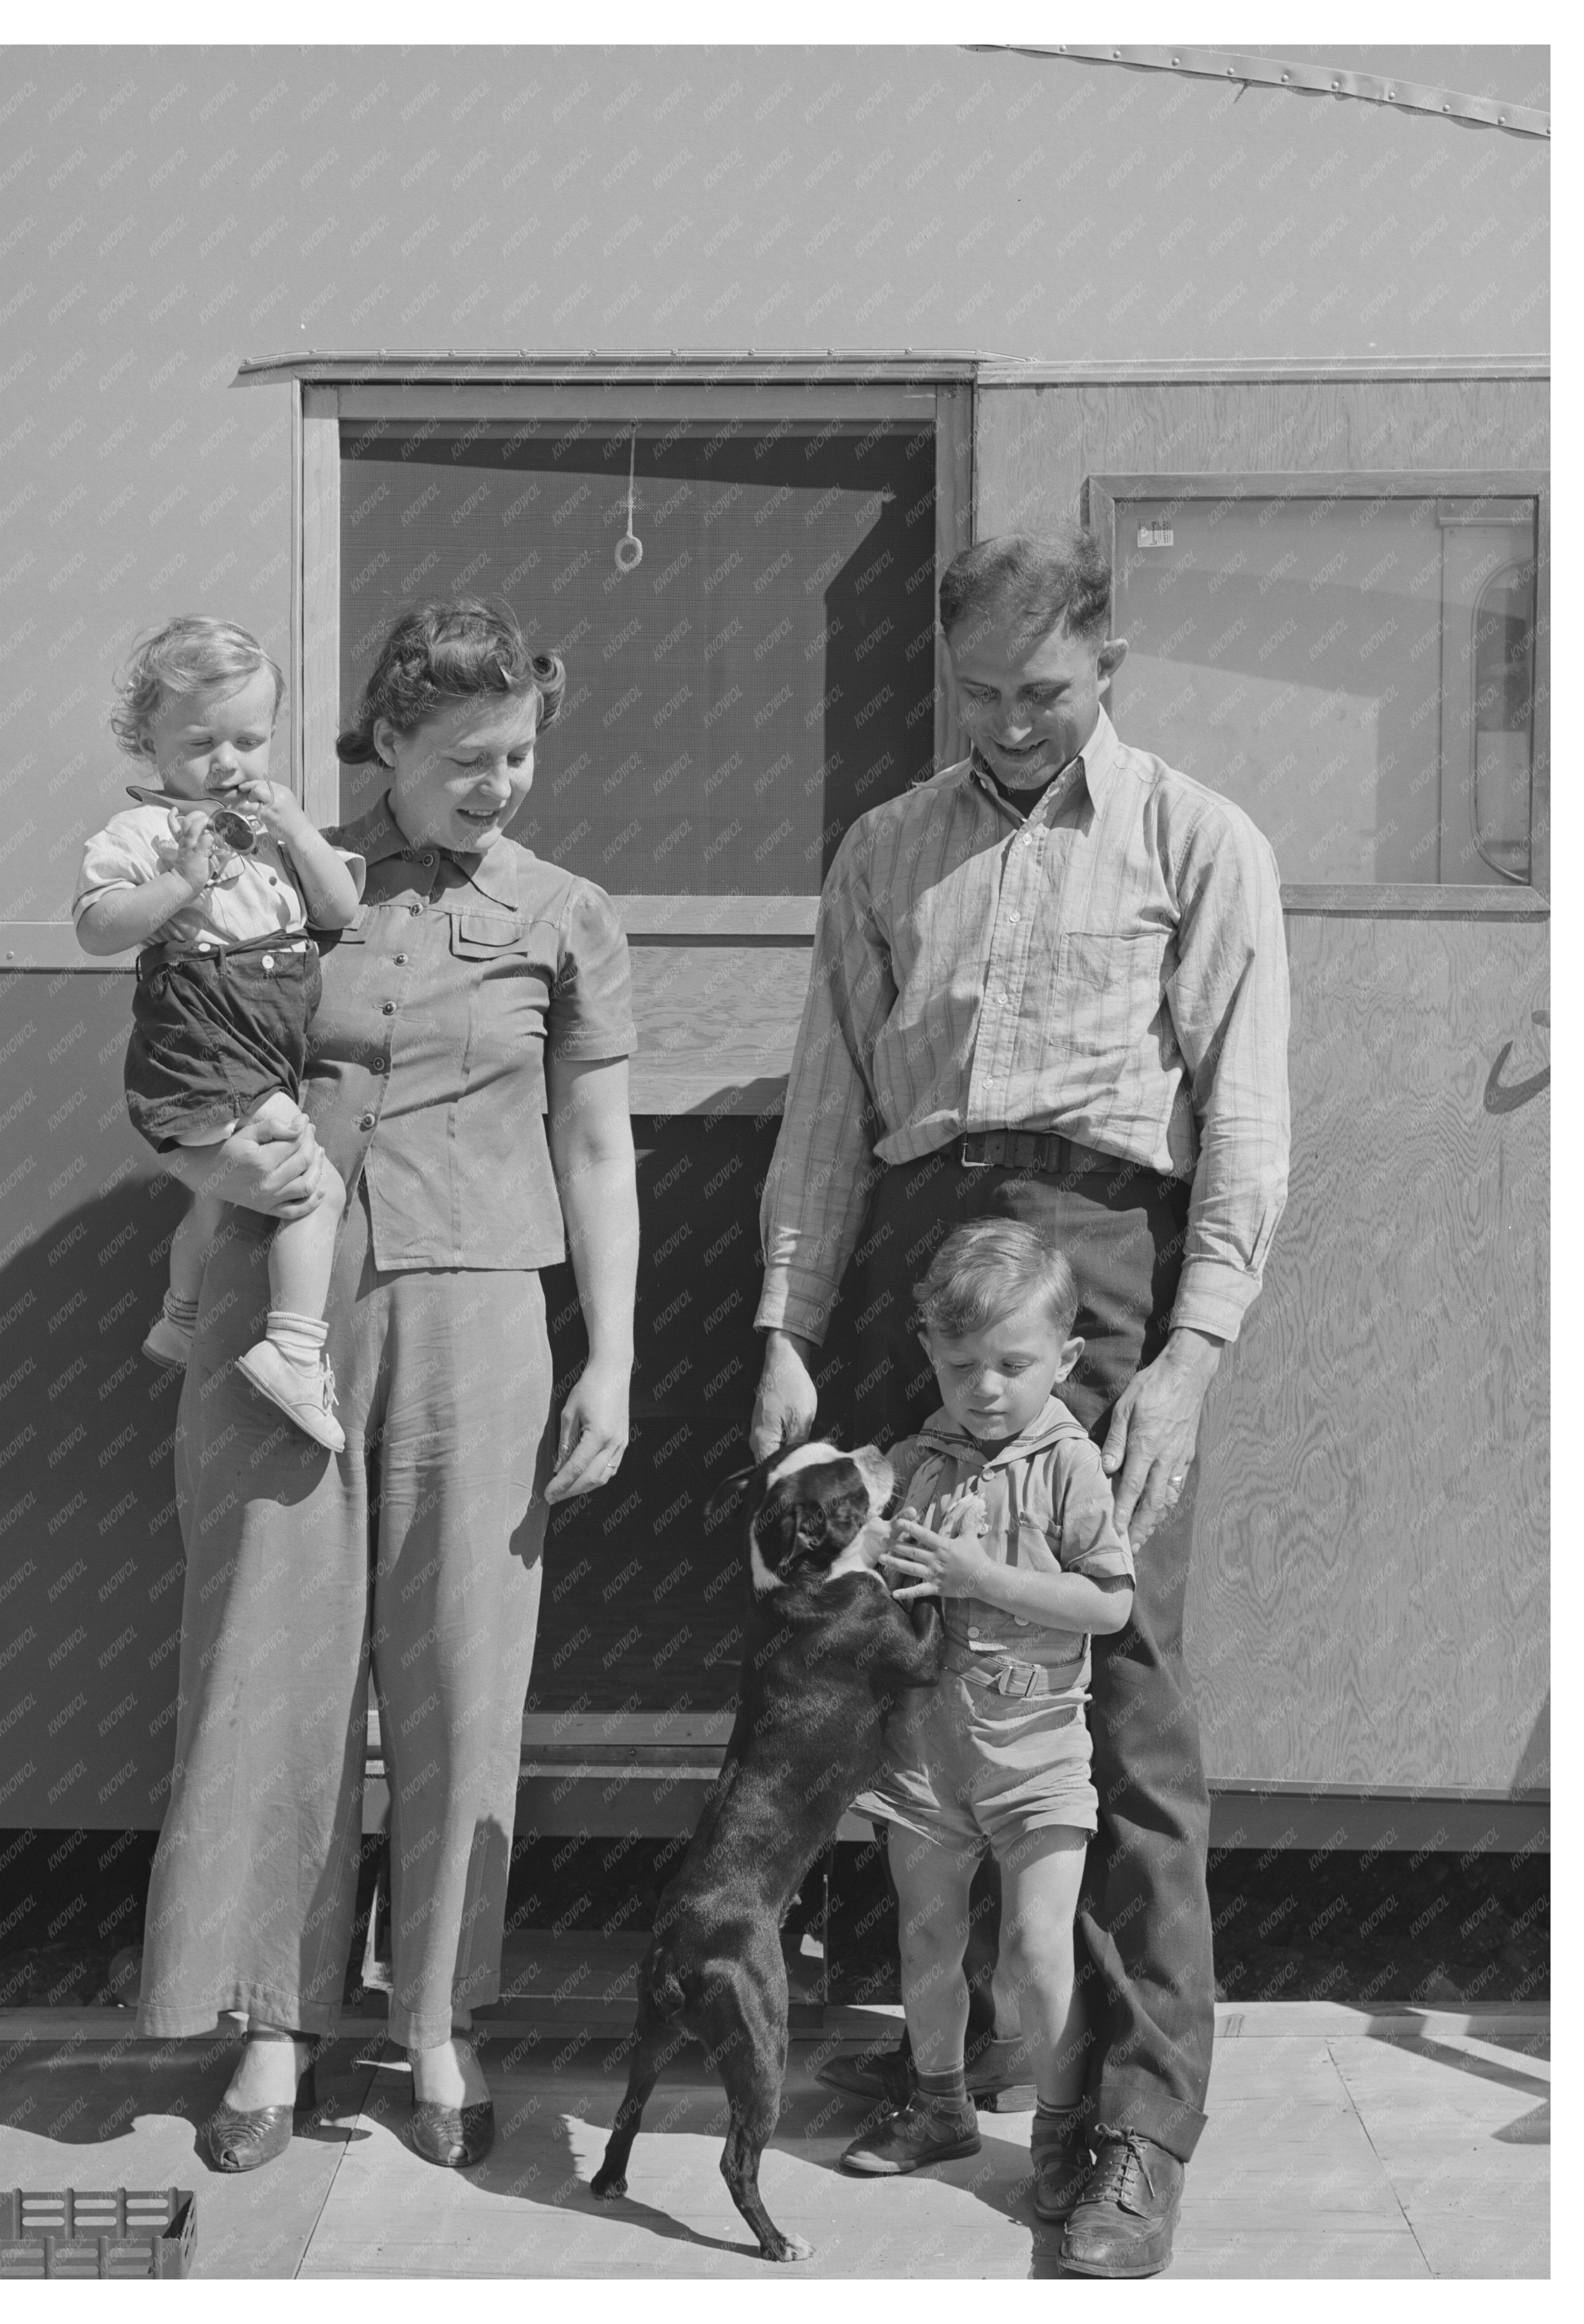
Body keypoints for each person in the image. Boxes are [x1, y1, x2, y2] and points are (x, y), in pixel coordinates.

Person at [752, 526, 1290, 2277]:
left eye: (1041, 691)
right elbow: (829, 1112)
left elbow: (1246, 1127)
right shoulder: (882, 849)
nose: (1007, 723)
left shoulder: (1196, 844)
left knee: (1113, 1711)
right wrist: (786, 1325)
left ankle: (1122, 2131)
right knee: (899, 1693)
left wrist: (1190, 1361)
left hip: (1102, 1282)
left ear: (1106, 662)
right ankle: (937, 2072)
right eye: (977, 692)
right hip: (925, 1262)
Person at [135, 600, 639, 2175]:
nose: (499, 786)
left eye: (520, 758)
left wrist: (610, 1353)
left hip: (481, 1312)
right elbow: (210, 1066)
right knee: (269, 1664)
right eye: (465, 759)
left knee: (458, 1674)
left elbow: (595, 1146)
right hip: (282, 1308)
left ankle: (437, 2022)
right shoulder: (288, 879)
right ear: (391, 749)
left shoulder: (569, 915)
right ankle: (271, 2028)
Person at [839, 1221, 1133, 2227]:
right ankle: (936, 2105)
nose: (985, 1388)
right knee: (925, 1945)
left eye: (1013, 1365)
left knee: (1034, 1952)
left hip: (1037, 1758)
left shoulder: (1069, 1465)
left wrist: (982, 1577)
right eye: (960, 1364)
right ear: (929, 1350)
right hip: (925, 1755)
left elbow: (1108, 1604)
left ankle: (1060, 2130)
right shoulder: (916, 1459)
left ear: (1064, 1359)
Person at [74, 618, 364, 1449]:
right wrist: (179, 880)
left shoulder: (276, 833)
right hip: (207, 1040)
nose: (228, 763)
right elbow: (98, 928)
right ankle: (294, 1352)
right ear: (149, 743)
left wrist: (298, 830)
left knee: (211, 1191)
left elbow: (339, 910)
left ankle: (180, 1317)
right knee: (315, 1190)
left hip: (264, 1047)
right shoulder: (140, 835)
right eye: (201, 742)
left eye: (248, 740)